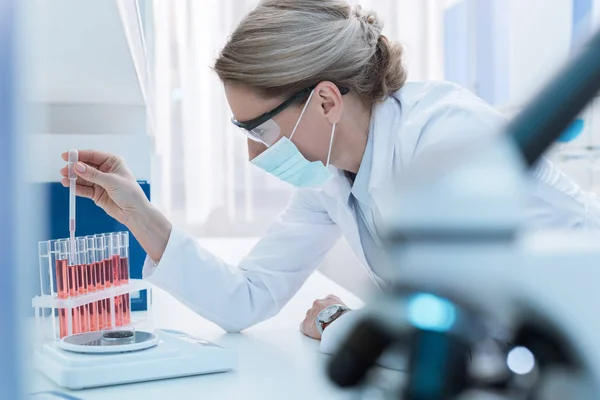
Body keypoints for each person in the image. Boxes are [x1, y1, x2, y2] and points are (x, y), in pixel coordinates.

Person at [60, 0, 600, 356]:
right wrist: (137, 214)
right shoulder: (331, 178)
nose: (253, 152)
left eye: (260, 129)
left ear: (324, 100)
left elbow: (474, 331)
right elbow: (246, 298)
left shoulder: (444, 139)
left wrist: (343, 323)